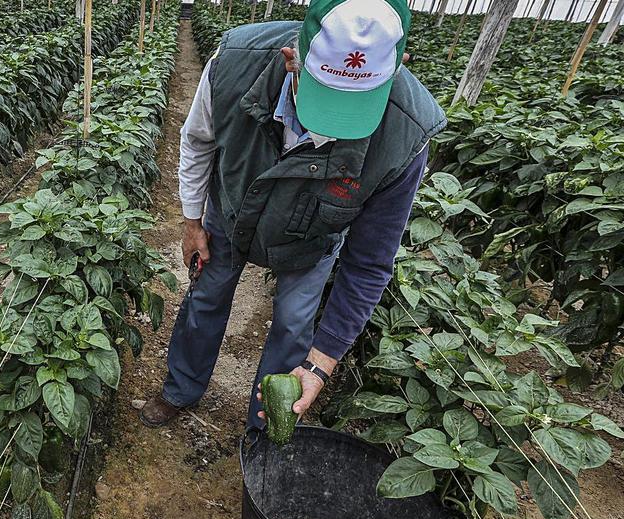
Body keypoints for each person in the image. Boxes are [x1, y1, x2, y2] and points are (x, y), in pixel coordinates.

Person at [139, 0, 446, 429]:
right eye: (322, 94)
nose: (332, 127)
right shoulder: (233, 64)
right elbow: (197, 141)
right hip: (232, 212)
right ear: (292, 58)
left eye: (355, 105)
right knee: (205, 297)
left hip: (312, 239)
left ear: (397, 68)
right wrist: (192, 223)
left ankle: (266, 427)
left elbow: (369, 261)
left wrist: (321, 364)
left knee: (293, 326)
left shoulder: (406, 132)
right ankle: (181, 388)